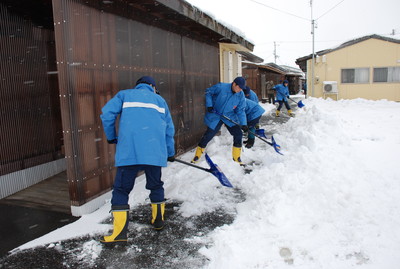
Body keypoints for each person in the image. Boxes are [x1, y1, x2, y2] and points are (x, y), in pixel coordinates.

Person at [100, 76, 175, 245]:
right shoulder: (160, 100)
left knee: (121, 190)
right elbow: (169, 129)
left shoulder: (124, 95)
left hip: (130, 152)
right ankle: (158, 221)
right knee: (156, 185)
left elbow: (107, 115)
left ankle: (119, 234)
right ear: (152, 87)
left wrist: (112, 137)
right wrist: (170, 152)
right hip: (154, 153)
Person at [191, 77, 248, 165]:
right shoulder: (221, 87)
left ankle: (236, 158)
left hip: (229, 116)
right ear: (234, 84)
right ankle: (197, 155)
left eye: (242, 88)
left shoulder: (240, 95)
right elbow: (208, 92)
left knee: (238, 134)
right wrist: (209, 105)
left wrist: (243, 124)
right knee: (208, 135)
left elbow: (240, 110)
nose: (240, 90)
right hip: (216, 114)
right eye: (239, 87)